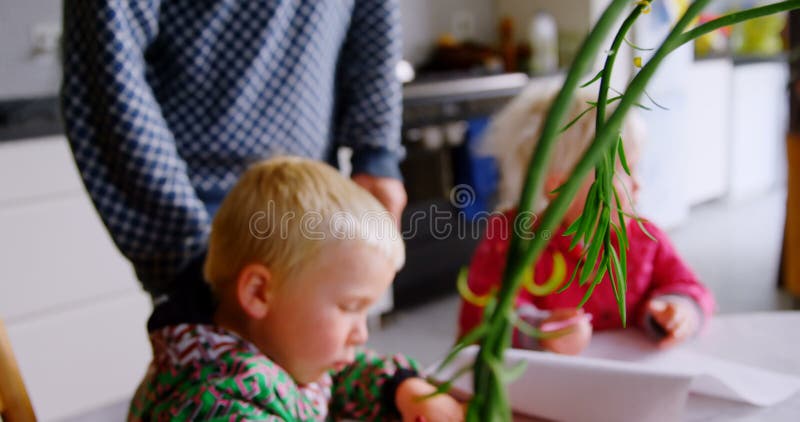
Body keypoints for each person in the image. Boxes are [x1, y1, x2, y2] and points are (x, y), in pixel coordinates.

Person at [60, 0, 407, 332]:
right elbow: (109, 64)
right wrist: (187, 250)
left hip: (313, 210)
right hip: (203, 217)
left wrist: (377, 154)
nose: (362, 335)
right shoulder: (223, 390)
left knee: (318, 351)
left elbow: (374, 22)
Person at [129, 156, 463, 420]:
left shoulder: (286, 351)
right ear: (259, 293)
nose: (361, 334)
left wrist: (400, 388)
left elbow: (344, 376)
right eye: (349, 307)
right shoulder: (214, 403)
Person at [457, 85, 716, 355]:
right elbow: (485, 314)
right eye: (624, 171)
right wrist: (540, 331)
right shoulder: (513, 239)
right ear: (560, 187)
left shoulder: (644, 238)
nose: (638, 184)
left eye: (636, 168)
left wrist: (678, 311)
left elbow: (689, 286)